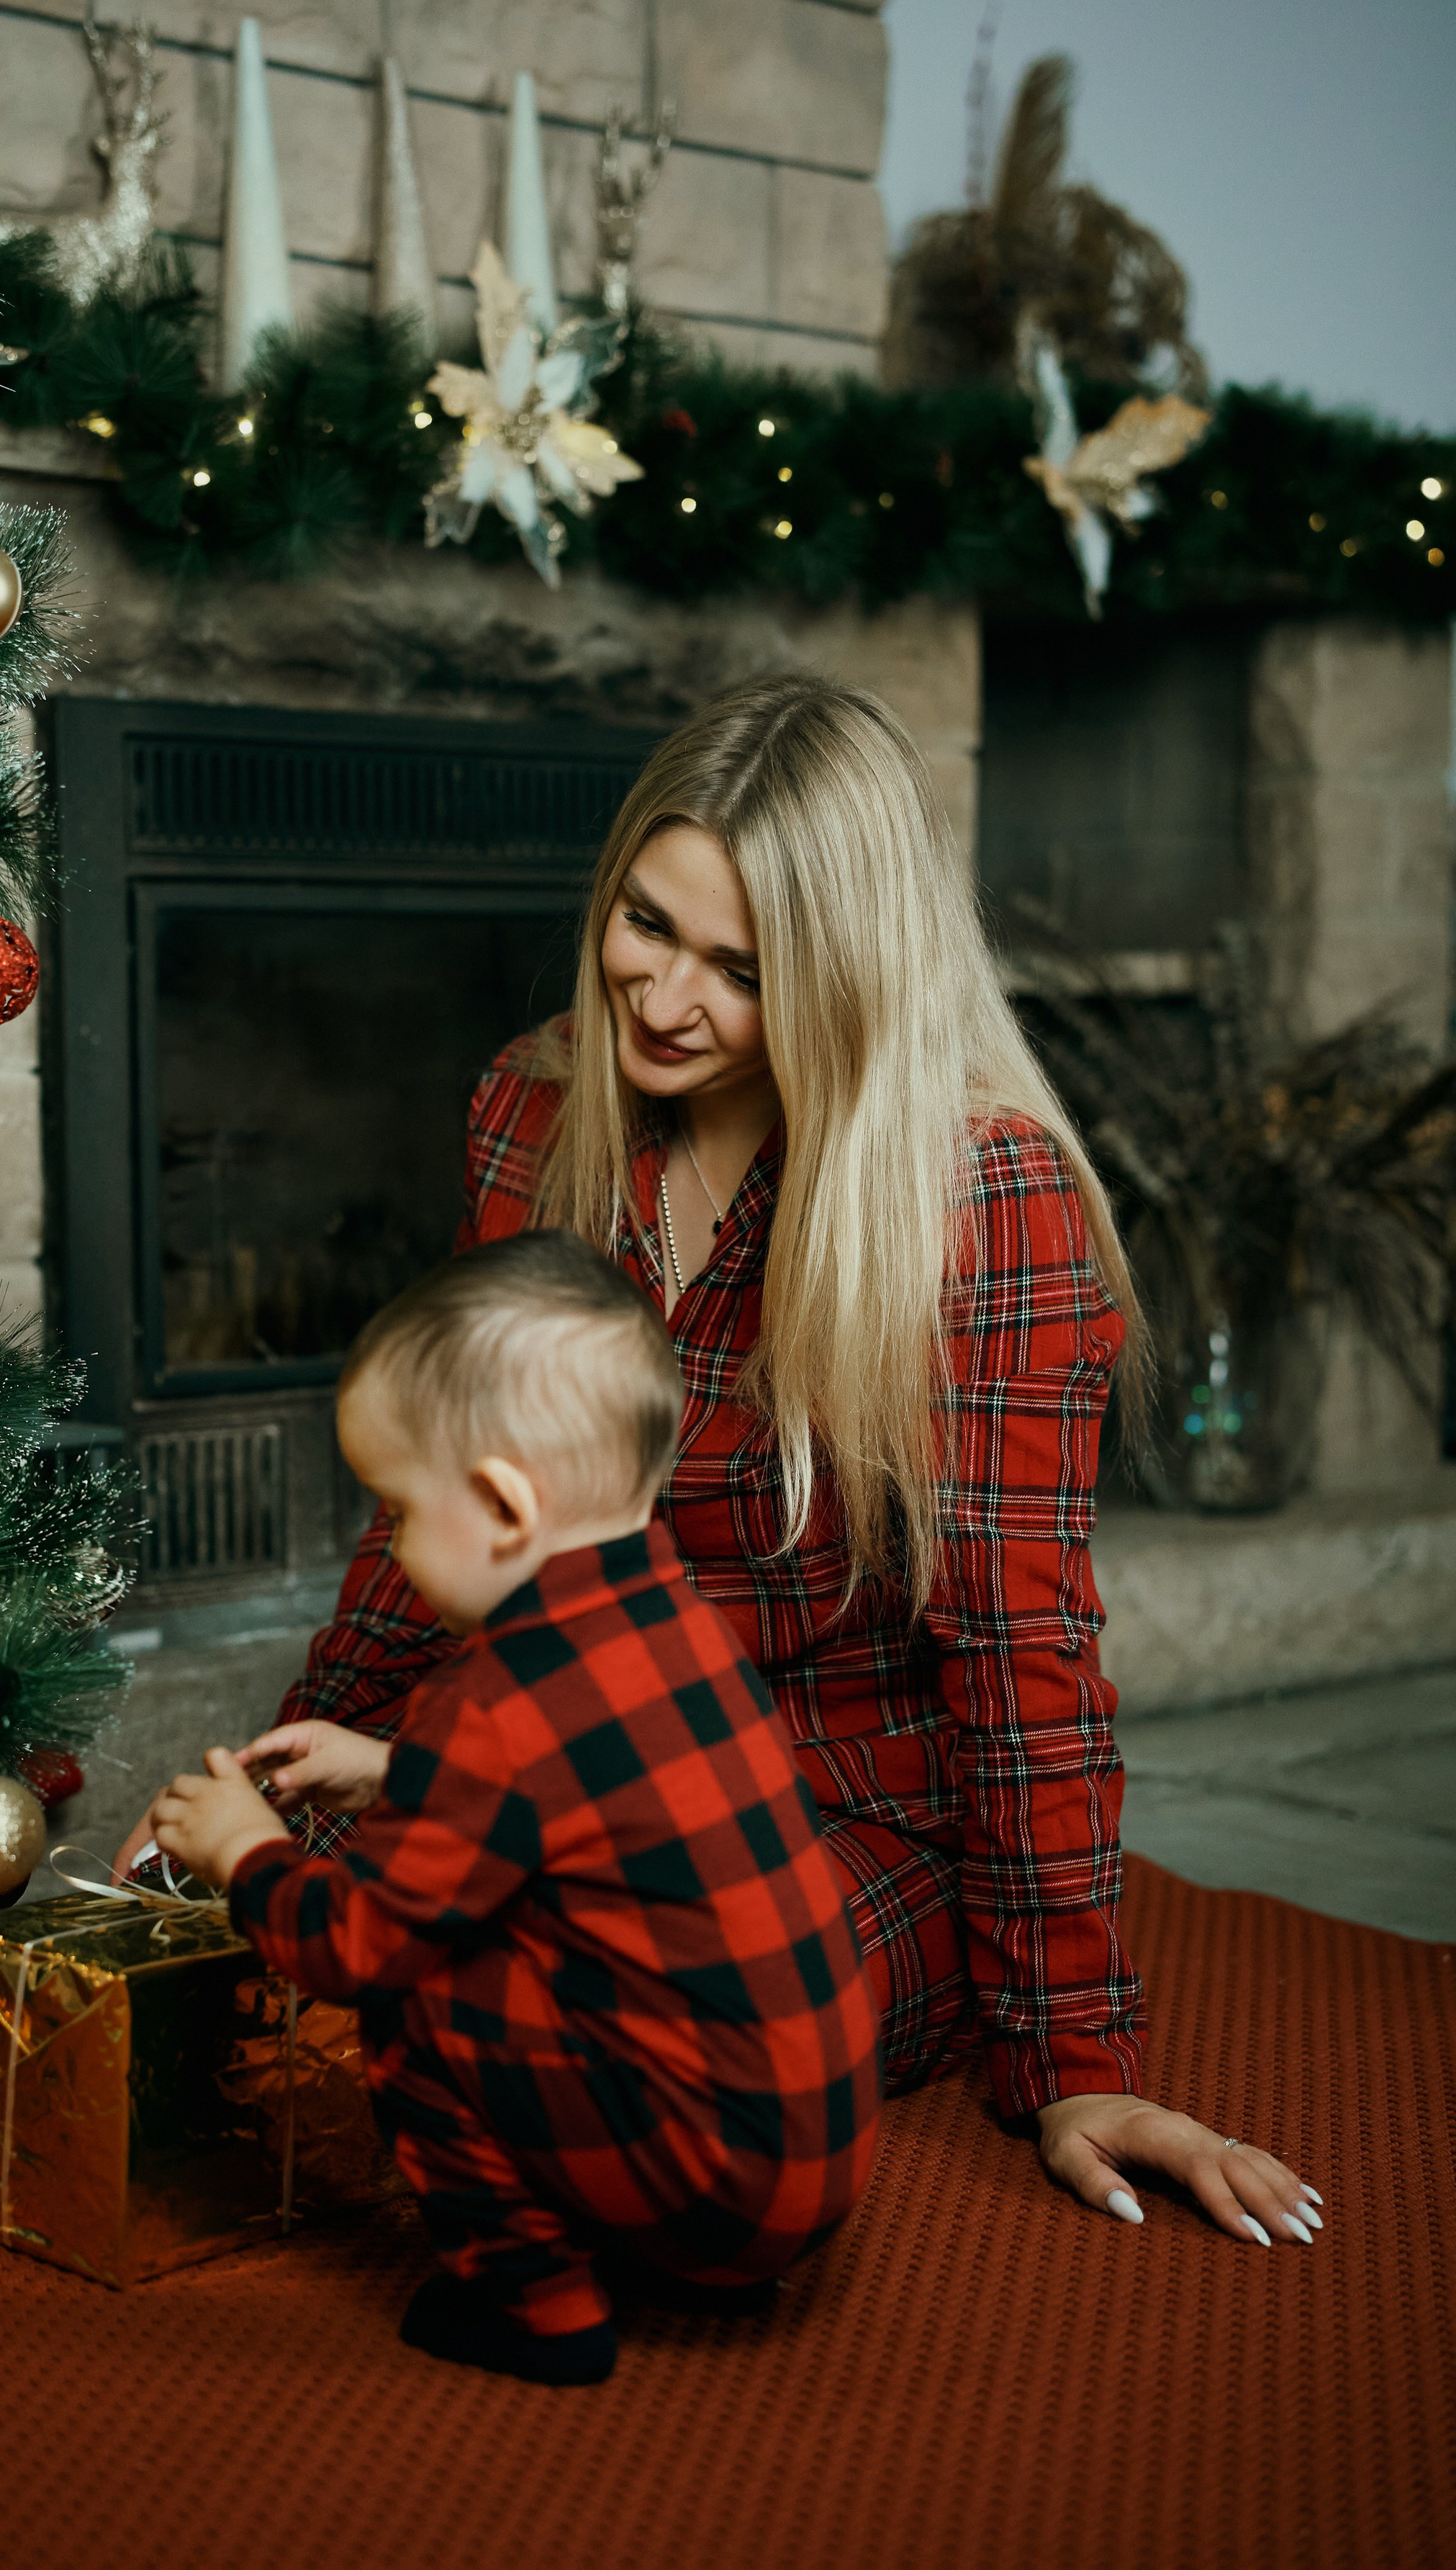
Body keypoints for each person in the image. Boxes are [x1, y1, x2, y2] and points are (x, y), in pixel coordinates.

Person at [225, 672, 1324, 2256]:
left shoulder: (981, 1200)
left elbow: (1022, 1652)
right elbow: (446, 1505)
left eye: (740, 970)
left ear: (844, 979)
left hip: (814, 1803)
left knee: (630, 1998)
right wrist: (302, 1746)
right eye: (646, 924)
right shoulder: (529, 1114)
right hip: (551, 1748)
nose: (663, 996)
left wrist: (1076, 2064)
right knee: (290, 1885)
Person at [142, 1233, 882, 2389]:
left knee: (419, 1989)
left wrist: (248, 1851)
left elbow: (353, 1947)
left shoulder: (490, 1698)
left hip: (709, 2195)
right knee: (514, 1944)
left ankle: (534, 2303)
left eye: (394, 1510)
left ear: (497, 1504)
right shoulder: (675, 1618)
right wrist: (392, 1770)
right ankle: (653, 2229)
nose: (390, 1542)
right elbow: (601, 1804)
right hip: (808, 2161)